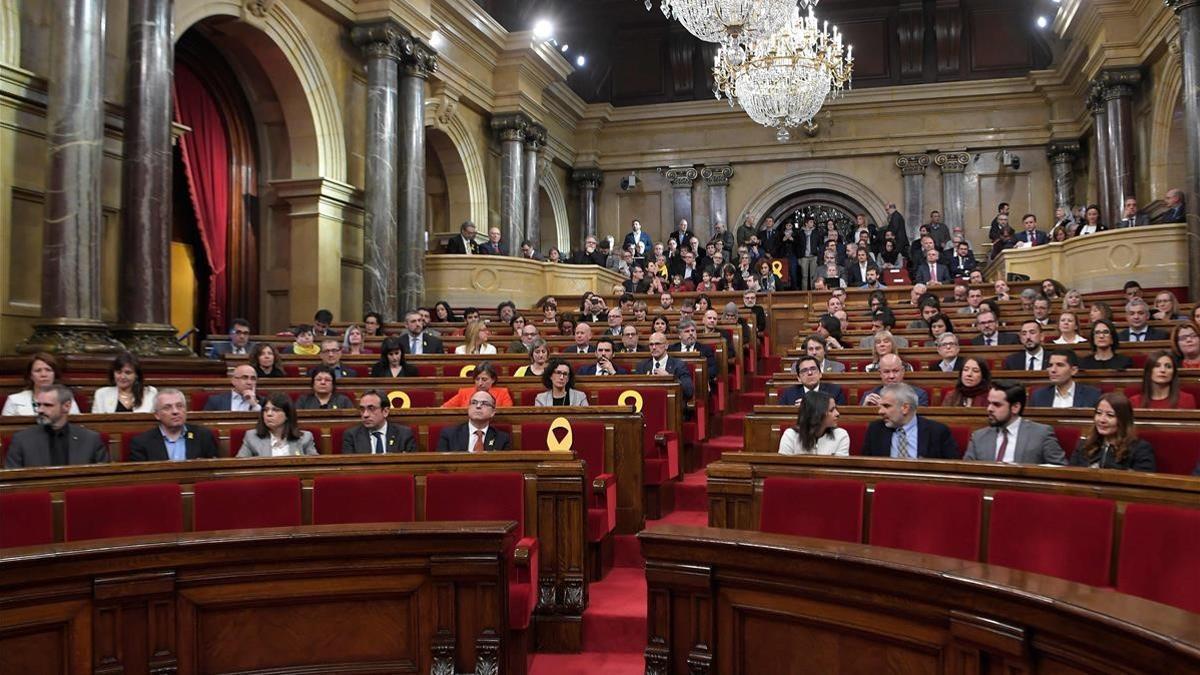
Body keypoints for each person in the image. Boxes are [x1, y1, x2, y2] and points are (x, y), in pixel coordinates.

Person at [4, 385, 107, 468]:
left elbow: (102, 480)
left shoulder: (91, 439)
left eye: (47, 405)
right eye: (38, 405)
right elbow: (13, 484)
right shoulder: (21, 440)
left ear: (66, 406)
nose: (40, 410)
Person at [963, 381, 1066, 464]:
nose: (989, 409)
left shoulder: (1041, 434)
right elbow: (967, 473)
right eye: (989, 403)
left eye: (996, 404)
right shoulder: (978, 437)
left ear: (1015, 407)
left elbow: (1060, 471)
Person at [861, 383, 958, 458]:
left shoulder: (938, 432)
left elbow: (951, 471)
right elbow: (866, 468)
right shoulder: (875, 430)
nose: (880, 411)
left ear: (905, 408)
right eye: (880, 406)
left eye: (886, 406)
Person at [1069, 394, 1156, 471]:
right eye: (1099, 413)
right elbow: (1071, 477)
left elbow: (1143, 483)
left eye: (1110, 415)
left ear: (1123, 419)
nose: (1102, 420)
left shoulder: (1140, 449)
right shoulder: (1084, 445)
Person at [127, 388, 219, 461]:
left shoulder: (203, 436)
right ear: (157, 415)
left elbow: (214, 471)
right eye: (167, 407)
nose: (175, 411)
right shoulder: (141, 442)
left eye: (179, 406)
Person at [237, 393, 318, 457]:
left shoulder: (305, 438)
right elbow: (239, 466)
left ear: (287, 415)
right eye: (266, 410)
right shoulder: (251, 437)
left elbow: (315, 466)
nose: (269, 414)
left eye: (275, 410)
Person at [2, 353, 80, 416]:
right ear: (30, 376)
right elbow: (4, 431)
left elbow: (77, 427)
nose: (43, 374)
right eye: (38, 370)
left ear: (54, 374)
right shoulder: (14, 400)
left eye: (48, 370)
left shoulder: (66, 399)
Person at [342, 390, 417, 454]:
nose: (365, 415)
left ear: (385, 411)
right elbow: (348, 468)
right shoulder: (352, 436)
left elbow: (413, 466)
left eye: (371, 408)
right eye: (362, 409)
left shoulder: (403, 434)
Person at [778, 390, 850, 456]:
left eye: (836, 409)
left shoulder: (841, 435)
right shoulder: (790, 435)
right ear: (817, 414)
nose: (837, 413)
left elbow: (838, 468)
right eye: (831, 410)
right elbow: (783, 468)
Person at [436, 390, 512, 452]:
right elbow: (440, 465)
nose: (478, 406)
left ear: (493, 412)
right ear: (468, 408)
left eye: (484, 403)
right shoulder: (449, 435)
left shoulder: (502, 438)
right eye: (474, 403)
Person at [1030, 349, 1103, 408]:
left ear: (1073, 370)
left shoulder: (1092, 394)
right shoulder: (1038, 396)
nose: (1053, 370)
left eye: (1060, 365)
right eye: (1050, 365)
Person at [634, 331, 695, 400]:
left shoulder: (679, 365)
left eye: (657, 344)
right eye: (651, 344)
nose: (654, 347)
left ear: (666, 345)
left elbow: (688, 392)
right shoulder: (642, 366)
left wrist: (669, 378)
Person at [91, 352, 157, 413]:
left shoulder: (150, 393)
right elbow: (94, 422)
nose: (122, 377)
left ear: (136, 375)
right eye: (118, 372)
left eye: (128, 373)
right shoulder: (102, 394)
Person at [1130, 349, 1197, 409]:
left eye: (1168, 366)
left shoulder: (1187, 399)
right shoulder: (1134, 402)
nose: (1163, 370)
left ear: (1173, 372)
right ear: (1149, 371)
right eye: (1157, 366)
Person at [860, 354, 930, 406]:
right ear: (880, 373)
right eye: (886, 372)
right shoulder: (869, 396)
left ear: (903, 371)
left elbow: (917, 422)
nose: (891, 376)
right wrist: (864, 409)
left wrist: (884, 408)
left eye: (895, 371)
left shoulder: (918, 395)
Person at [441, 362, 514, 408]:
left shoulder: (503, 393)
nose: (480, 383)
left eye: (484, 379)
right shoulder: (463, 393)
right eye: (477, 379)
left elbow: (507, 414)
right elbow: (443, 409)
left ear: (493, 379)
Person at [780, 355, 846, 406]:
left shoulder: (835, 391)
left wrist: (812, 406)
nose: (810, 373)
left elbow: (838, 417)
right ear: (799, 378)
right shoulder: (788, 394)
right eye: (804, 370)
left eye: (813, 369)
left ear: (820, 374)